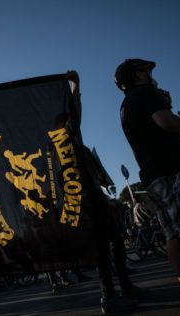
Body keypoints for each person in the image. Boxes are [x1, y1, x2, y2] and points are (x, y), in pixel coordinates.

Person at [115, 58, 180, 315]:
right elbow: (165, 123)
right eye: (147, 71)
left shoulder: (125, 106)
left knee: (173, 234)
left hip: (153, 176)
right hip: (172, 170)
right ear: (138, 75)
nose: (151, 75)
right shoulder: (147, 93)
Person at [66, 71, 141, 314]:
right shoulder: (60, 149)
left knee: (115, 242)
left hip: (95, 199)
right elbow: (74, 112)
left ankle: (124, 288)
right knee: (101, 248)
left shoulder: (77, 144)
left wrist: (76, 85)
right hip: (87, 202)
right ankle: (109, 296)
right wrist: (76, 86)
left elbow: (74, 111)